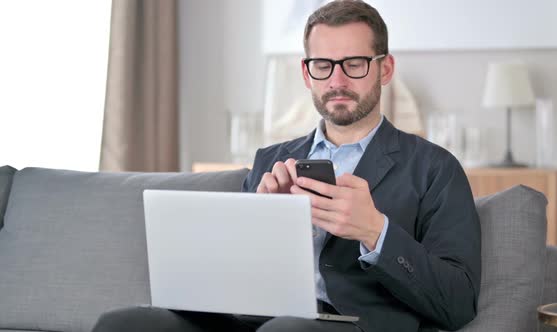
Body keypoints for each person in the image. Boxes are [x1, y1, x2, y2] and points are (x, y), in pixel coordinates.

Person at [92, 1, 481, 331]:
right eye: (323, 65)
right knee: (123, 324)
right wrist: (261, 223)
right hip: (252, 320)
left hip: (350, 325)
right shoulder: (270, 161)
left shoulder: (435, 168)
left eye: (355, 64)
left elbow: (459, 303)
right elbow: (235, 277)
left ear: (385, 69)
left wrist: (375, 232)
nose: (337, 80)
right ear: (306, 72)